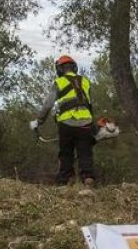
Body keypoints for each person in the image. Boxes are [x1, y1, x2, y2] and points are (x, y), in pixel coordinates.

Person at [38, 55, 97, 186]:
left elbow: (48, 104)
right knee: (85, 152)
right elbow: (88, 102)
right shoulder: (85, 81)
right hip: (86, 122)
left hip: (66, 123)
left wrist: (39, 121)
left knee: (66, 153)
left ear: (60, 69)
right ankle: (88, 178)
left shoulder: (59, 82)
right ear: (74, 67)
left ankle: (66, 179)